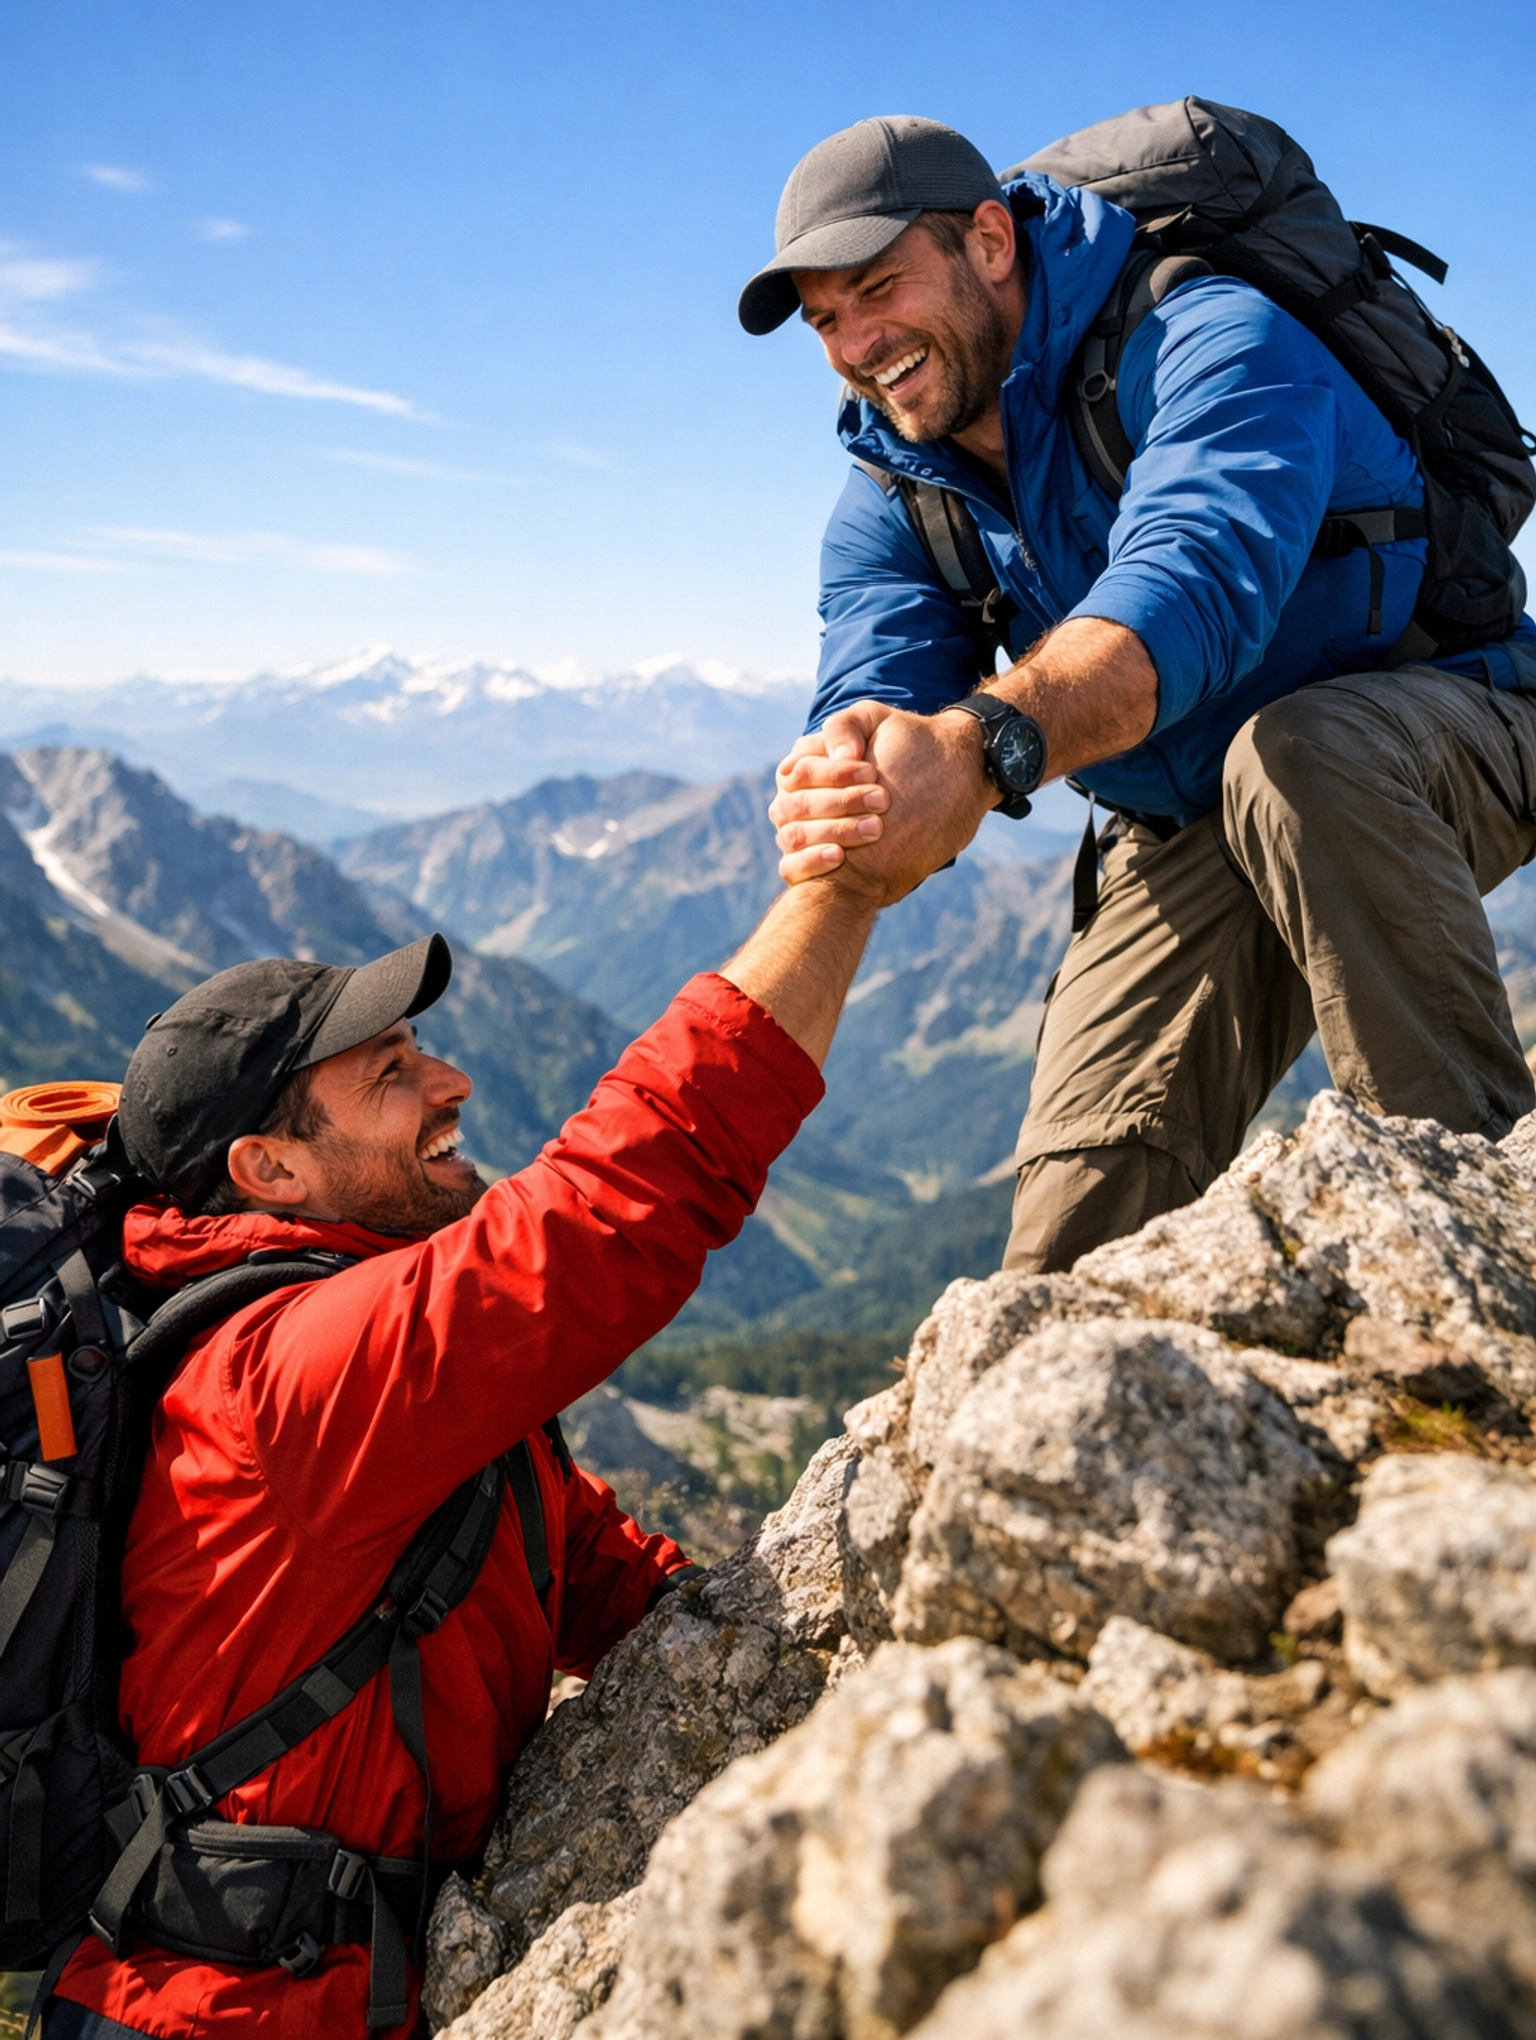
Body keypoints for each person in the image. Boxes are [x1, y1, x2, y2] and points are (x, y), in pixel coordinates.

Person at [46, 796, 956, 2040]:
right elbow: (606, 1217)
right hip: (228, 2018)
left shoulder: (332, 1342)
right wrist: (840, 895)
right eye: (392, 1075)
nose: (452, 1080)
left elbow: (553, 1554)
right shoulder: (291, 1376)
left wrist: (782, 1668)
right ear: (270, 1170)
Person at [744, 113, 1536, 1277]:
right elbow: (875, 673)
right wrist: (854, 760)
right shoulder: (898, 493)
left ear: (990, 242)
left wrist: (978, 747)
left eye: (879, 288)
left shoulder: (1215, 336)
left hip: (1438, 726)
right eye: (825, 320)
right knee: (1060, 1262)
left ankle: (1485, 1247)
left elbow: (1185, 592)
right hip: (1192, 822)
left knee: (1300, 753)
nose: (859, 343)